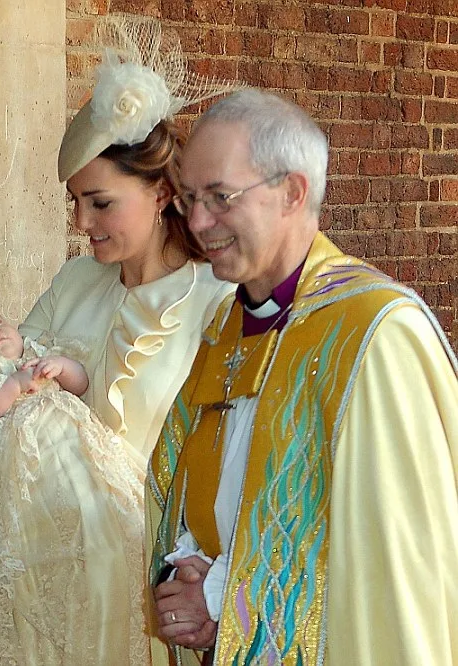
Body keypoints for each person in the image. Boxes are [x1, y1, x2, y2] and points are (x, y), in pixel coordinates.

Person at [147, 88, 458, 666]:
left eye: (220, 197)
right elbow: (194, 480)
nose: (196, 221)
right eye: (189, 198)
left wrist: (221, 597)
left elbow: (389, 560)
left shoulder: (375, 333)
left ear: (292, 192)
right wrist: (191, 570)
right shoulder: (225, 325)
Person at [7, 15, 236, 660]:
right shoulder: (75, 282)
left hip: (154, 596)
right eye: (75, 203)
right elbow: (10, 393)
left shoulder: (217, 303)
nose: (82, 223)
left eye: (101, 203)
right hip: (56, 580)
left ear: (162, 193)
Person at [0, 303, 147, 664]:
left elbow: (80, 382)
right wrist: (13, 386)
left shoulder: (37, 354)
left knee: (112, 526)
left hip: (81, 465)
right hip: (32, 481)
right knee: (42, 556)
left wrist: (62, 368)